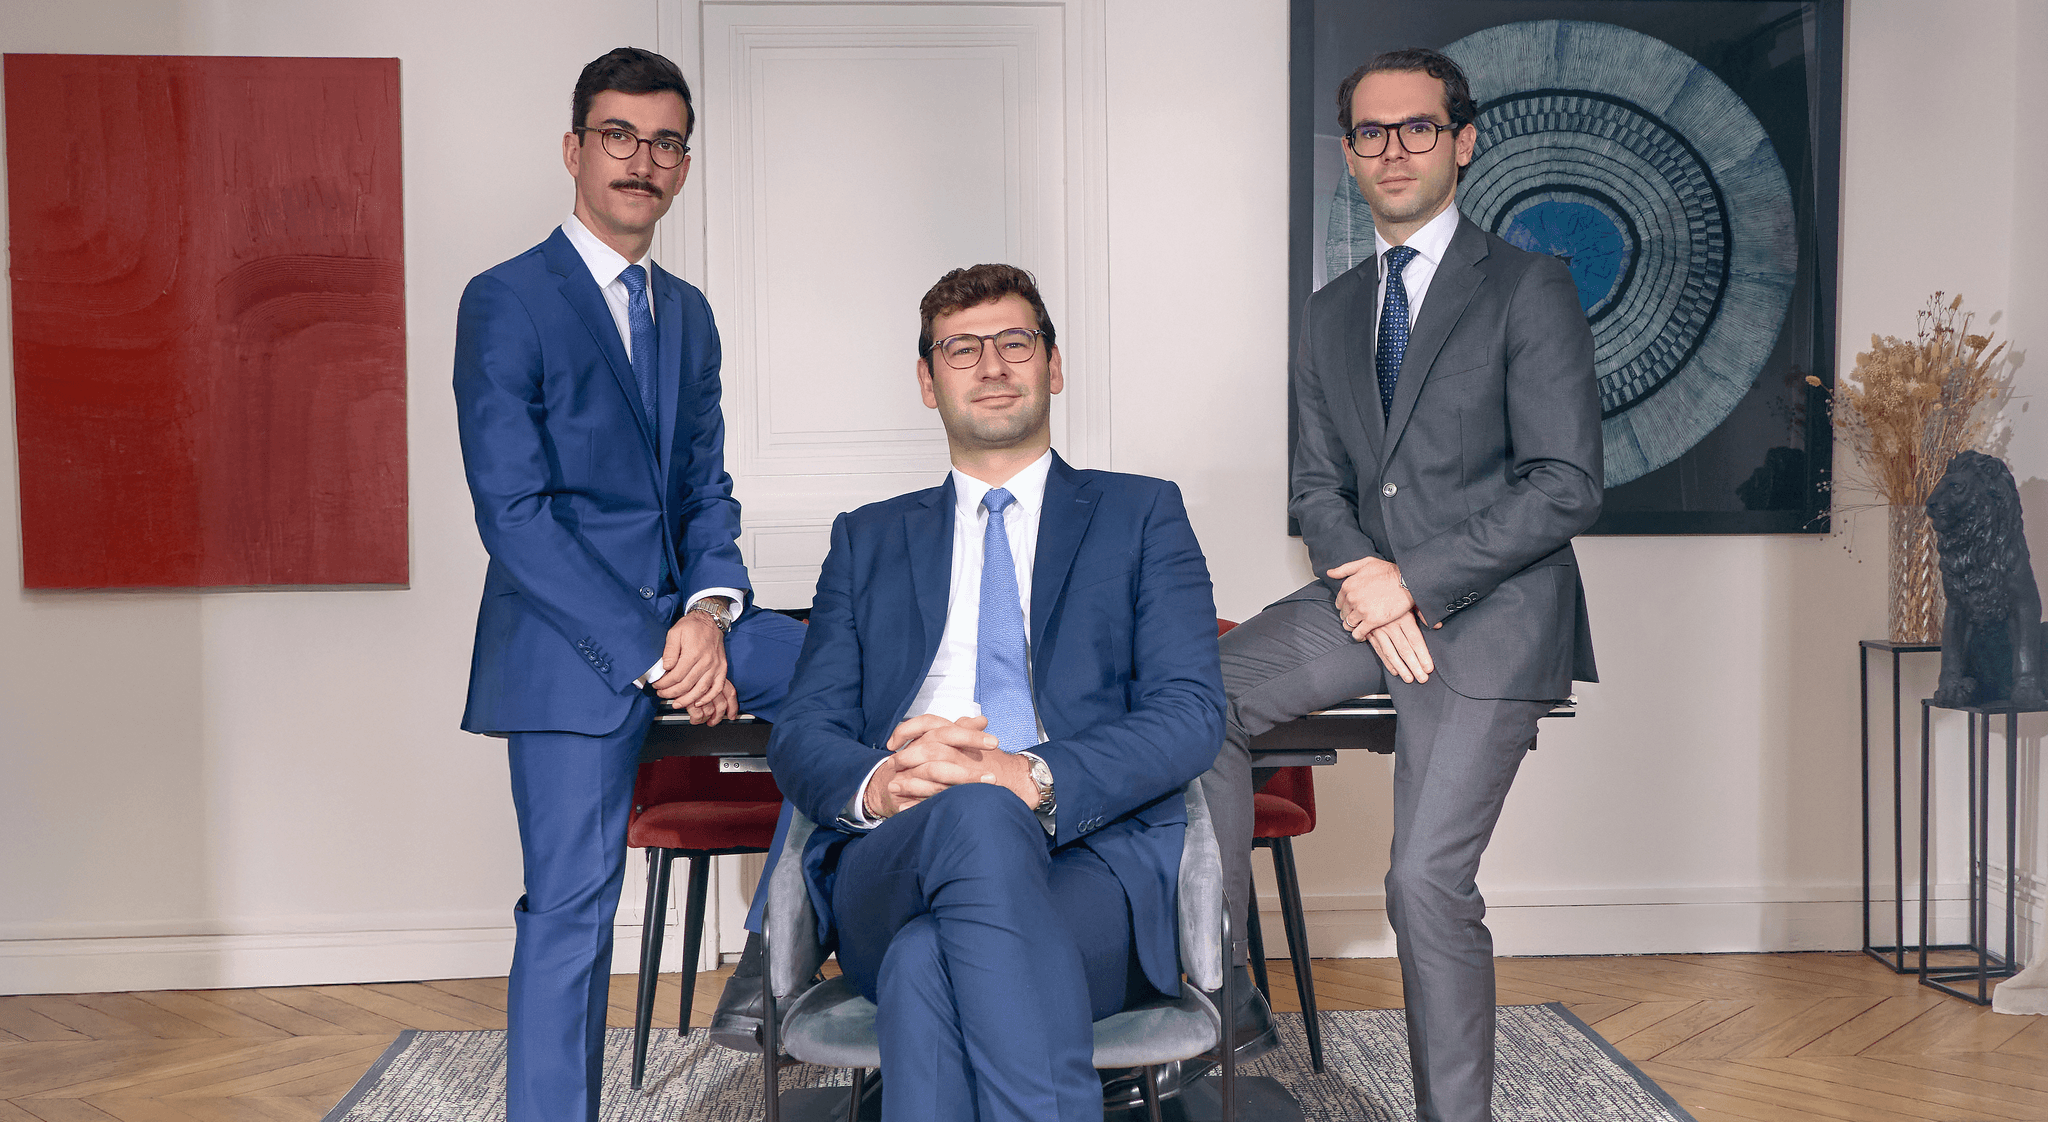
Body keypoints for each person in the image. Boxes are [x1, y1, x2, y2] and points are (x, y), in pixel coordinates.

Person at [1221, 48, 1602, 1122]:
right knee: (1192, 700)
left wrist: (1411, 582)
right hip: (1359, 598)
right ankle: (1215, 994)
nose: (1391, 149)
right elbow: (1316, 486)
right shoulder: (1329, 309)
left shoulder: (1528, 288)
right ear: (1347, 154)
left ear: (1461, 140)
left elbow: (1564, 484)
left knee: (1422, 884)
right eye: (1369, 133)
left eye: (1416, 128)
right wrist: (1362, 576)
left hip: (1495, 613)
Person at [765, 264, 1242, 1121]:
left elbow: (1189, 713)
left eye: (1014, 342)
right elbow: (804, 731)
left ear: (1052, 365)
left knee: (924, 967)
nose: (991, 365)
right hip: (897, 856)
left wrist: (1033, 776)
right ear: (927, 380)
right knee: (973, 822)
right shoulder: (867, 540)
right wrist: (883, 782)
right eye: (961, 349)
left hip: (1090, 868)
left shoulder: (1142, 516)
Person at [452, 47, 805, 1122]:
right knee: (569, 907)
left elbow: (707, 486)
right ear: (574, 148)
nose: (640, 160)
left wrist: (708, 611)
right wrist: (658, 648)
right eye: (618, 135)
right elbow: (512, 517)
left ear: (683, 166)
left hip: (682, 620)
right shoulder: (504, 300)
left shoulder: (686, 311)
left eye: (663, 142)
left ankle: (775, 954)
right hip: (564, 642)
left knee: (856, 671)